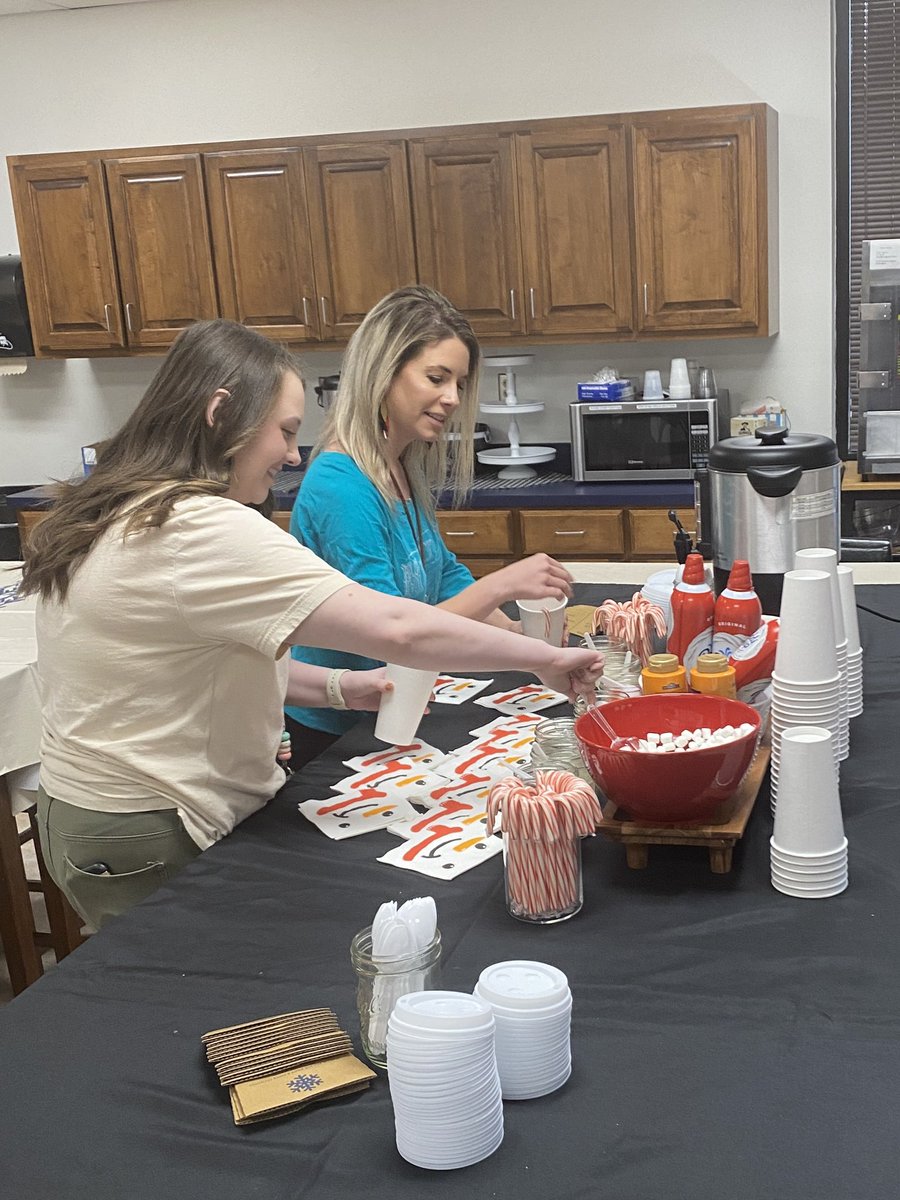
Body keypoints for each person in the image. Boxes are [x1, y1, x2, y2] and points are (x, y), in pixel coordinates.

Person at [21, 319, 603, 929]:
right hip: (145, 823)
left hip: (90, 815)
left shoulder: (132, 504)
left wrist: (337, 688)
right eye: (285, 431)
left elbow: (212, 654)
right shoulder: (195, 527)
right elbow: (398, 628)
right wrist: (544, 660)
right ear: (222, 413)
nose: (293, 455)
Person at [286, 286, 575, 766]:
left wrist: (520, 639)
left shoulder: (399, 465)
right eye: (436, 378)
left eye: (459, 383)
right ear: (384, 372)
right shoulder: (341, 486)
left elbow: (442, 575)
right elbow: (389, 637)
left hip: (395, 707)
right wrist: (502, 586)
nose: (452, 398)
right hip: (339, 733)